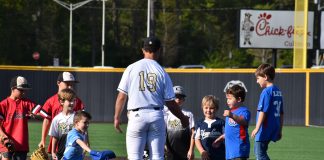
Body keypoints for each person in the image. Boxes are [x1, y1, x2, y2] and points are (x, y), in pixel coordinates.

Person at [114, 36, 189, 160]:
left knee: (134, 157)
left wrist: (116, 117)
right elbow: (170, 103)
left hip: (136, 116)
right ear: (159, 50)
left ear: (143, 50)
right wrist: (182, 118)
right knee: (157, 156)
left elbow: (122, 96)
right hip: (156, 116)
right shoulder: (162, 71)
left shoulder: (131, 68)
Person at [37, 72, 85, 154]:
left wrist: (85, 141)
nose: (70, 86)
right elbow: (47, 121)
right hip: (57, 143)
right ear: (58, 83)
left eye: (72, 84)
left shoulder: (77, 101)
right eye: (67, 83)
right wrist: (43, 140)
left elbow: (83, 122)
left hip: (74, 143)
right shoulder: (51, 101)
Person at [0, 76, 41, 160]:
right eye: (21, 90)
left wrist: (36, 116)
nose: (23, 93)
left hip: (22, 144)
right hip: (6, 143)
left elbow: (43, 115)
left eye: (25, 90)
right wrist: (3, 136)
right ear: (13, 88)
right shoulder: (3, 104)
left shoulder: (27, 103)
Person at [251, 63, 284, 160]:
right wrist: (280, 129)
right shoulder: (277, 90)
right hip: (274, 126)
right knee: (260, 151)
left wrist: (257, 128)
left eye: (258, 78)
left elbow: (263, 111)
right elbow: (281, 113)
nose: (257, 81)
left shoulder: (266, 92)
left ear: (265, 77)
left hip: (265, 128)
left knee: (259, 153)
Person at [164, 86, 195, 160]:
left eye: (180, 97)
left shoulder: (188, 114)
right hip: (170, 151)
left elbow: (193, 133)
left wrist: (191, 150)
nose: (178, 99)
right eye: (176, 96)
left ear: (183, 99)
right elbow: (164, 132)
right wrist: (164, 146)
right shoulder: (166, 114)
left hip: (185, 152)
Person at [223, 85, 251, 160]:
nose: (227, 101)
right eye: (227, 99)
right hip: (230, 152)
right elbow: (230, 130)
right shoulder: (231, 112)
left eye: (230, 98)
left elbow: (244, 122)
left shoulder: (244, 111)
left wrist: (232, 115)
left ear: (239, 99)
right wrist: (220, 138)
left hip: (239, 149)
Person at [49, 88, 77, 160]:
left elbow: (84, 135)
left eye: (74, 100)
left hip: (75, 153)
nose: (72, 103)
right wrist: (53, 152)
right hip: (61, 153)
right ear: (61, 101)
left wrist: (84, 151)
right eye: (70, 100)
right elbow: (55, 137)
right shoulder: (57, 119)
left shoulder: (78, 118)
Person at [194, 95, 225, 160]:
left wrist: (220, 139)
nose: (208, 110)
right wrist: (202, 151)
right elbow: (197, 139)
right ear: (202, 108)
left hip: (220, 156)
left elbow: (227, 135)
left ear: (216, 108)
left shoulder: (221, 122)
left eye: (211, 108)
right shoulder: (199, 123)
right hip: (206, 157)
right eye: (206, 107)